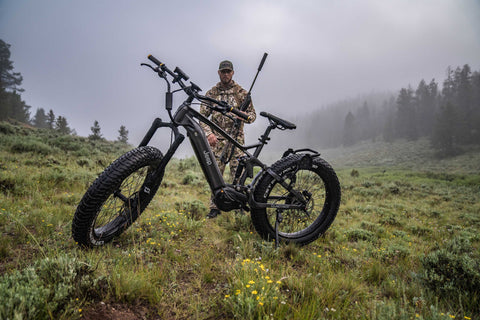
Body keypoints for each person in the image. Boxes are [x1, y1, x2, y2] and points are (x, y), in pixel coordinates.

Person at [199, 60, 256, 218]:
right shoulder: (212, 93)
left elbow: (252, 116)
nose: (225, 74)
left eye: (228, 71)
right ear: (219, 73)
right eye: (223, 71)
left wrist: (242, 116)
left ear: (232, 73)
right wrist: (209, 133)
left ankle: (238, 207)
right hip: (216, 140)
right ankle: (214, 207)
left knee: (237, 174)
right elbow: (202, 117)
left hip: (236, 141)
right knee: (215, 174)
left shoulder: (241, 93)